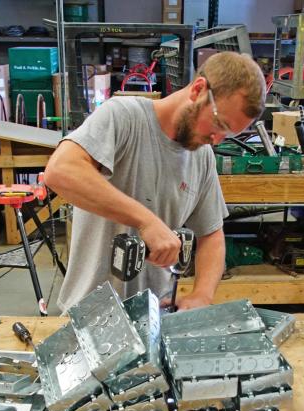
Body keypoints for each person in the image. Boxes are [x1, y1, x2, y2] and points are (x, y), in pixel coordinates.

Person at [42, 51, 266, 312]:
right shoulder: (124, 117)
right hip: (89, 316)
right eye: (219, 123)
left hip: (155, 314)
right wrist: (145, 220)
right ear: (198, 89)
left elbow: (212, 234)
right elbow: (60, 170)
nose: (217, 139)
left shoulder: (202, 156)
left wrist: (202, 295)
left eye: (228, 134)